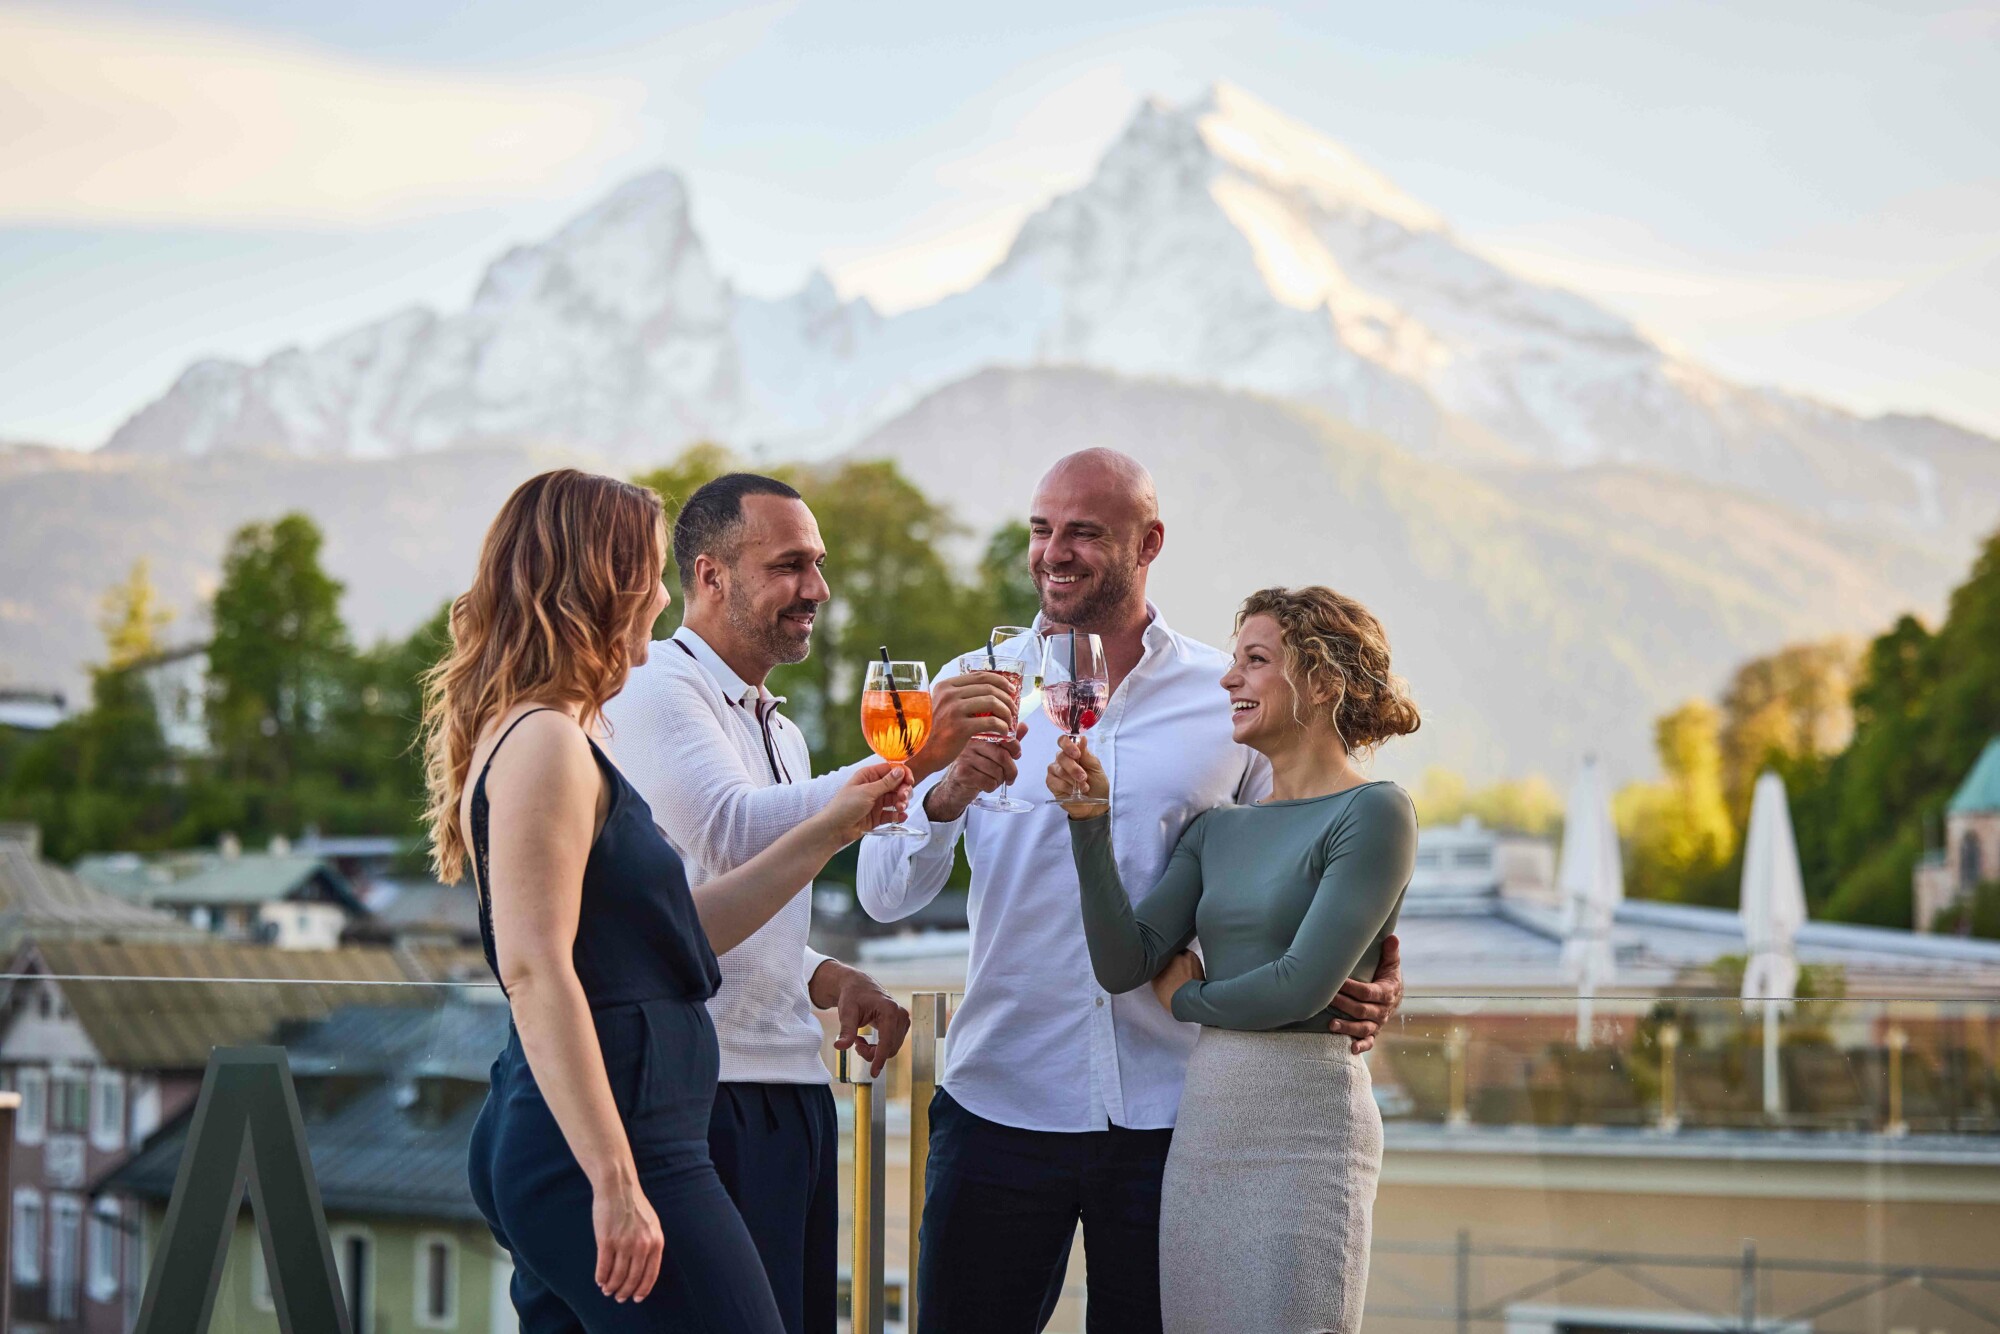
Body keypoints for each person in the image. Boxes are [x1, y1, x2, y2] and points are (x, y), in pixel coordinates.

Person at [857, 449, 1406, 1333]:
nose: (1054, 552)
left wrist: (1379, 966)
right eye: (1042, 530)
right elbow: (884, 894)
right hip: (1002, 1101)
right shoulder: (972, 687)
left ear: (1148, 542)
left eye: (1084, 532)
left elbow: (1298, 861)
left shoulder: (1223, 696)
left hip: (1176, 1117)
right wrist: (946, 788)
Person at [424, 469, 913, 1331]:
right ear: (601, 582)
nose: (659, 592)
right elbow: (537, 973)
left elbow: (674, 936)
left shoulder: (555, 732)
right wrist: (615, 1180)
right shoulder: (544, 742)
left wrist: (838, 826)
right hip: (617, 1139)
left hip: (624, 1130)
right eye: (648, 570)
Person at [600, 472, 1023, 1334]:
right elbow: (731, 833)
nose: (817, 591)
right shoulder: (655, 690)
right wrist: (914, 760)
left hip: (791, 1088)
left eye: (818, 565)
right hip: (703, 1096)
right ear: (710, 575)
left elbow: (710, 904)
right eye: (790, 565)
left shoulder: (781, 729)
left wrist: (825, 976)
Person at [1047, 585, 1420, 1333]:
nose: (1228, 678)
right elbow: (1124, 963)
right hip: (1209, 1122)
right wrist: (1088, 823)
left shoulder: (1376, 811)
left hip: (1307, 1128)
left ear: (1323, 682)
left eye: (1256, 661)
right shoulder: (1218, 830)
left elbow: (1299, 987)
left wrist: (1185, 1000)